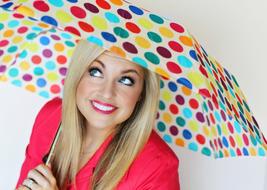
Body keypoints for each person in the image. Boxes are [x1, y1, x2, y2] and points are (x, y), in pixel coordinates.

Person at [16, 39, 180, 190]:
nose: (107, 93)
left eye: (126, 80)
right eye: (95, 72)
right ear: (78, 74)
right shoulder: (51, 116)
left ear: (142, 93)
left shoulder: (157, 167)